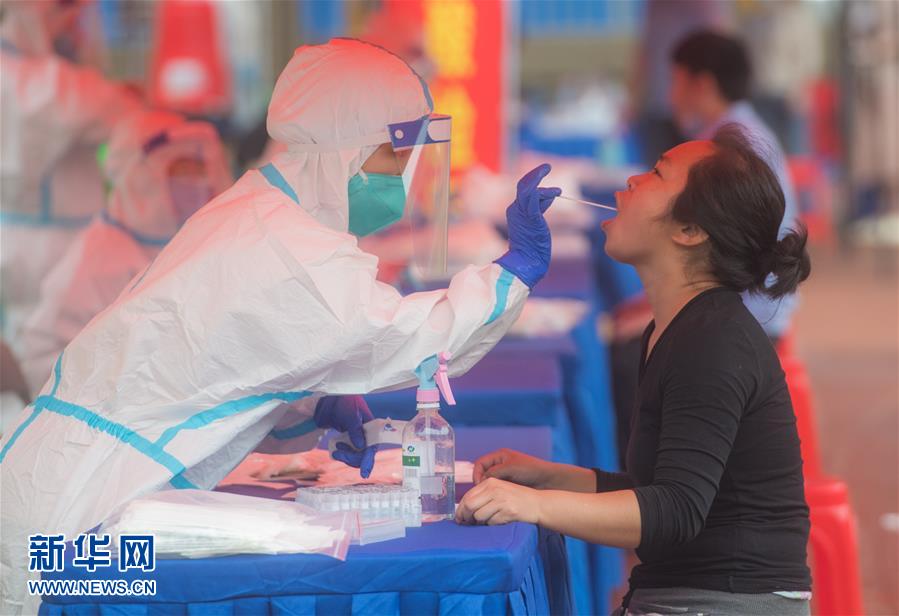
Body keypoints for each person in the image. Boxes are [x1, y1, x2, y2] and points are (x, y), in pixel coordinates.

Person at [0, 38, 560, 613]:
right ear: (349, 151)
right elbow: (415, 339)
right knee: (59, 601)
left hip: (58, 481)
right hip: (86, 509)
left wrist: (309, 406)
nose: (402, 176)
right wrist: (512, 273)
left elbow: (219, 361)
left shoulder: (254, 212)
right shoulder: (291, 249)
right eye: (393, 157)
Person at [457, 126, 813, 615]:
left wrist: (534, 506)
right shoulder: (679, 327)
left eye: (657, 174)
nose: (631, 180)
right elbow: (659, 491)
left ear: (690, 231)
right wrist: (549, 476)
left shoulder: (712, 342)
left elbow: (675, 511)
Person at [19, 111, 233, 394]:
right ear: (141, 178)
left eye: (199, 169)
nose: (197, 182)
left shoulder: (187, 242)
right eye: (181, 170)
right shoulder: (97, 261)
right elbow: (47, 362)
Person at [0, 0, 142, 348]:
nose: (74, 20)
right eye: (66, 10)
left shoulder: (34, 75)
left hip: (18, 238)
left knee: (26, 340)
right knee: (54, 348)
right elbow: (128, 111)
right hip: (54, 246)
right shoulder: (48, 82)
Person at [669, 29, 800, 343]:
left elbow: (726, 246)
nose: (670, 94)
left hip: (751, 312)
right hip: (754, 304)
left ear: (703, 84)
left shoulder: (732, 145)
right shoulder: (733, 132)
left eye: (676, 81)